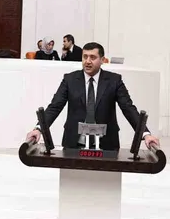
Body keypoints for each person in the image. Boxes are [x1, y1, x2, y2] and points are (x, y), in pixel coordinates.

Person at [26, 42, 160, 157]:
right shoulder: (70, 80)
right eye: (85, 57)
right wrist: (39, 128)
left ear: (102, 60)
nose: (88, 61)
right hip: (74, 143)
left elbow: (128, 108)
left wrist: (145, 134)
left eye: (93, 57)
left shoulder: (114, 81)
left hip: (107, 144)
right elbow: (55, 107)